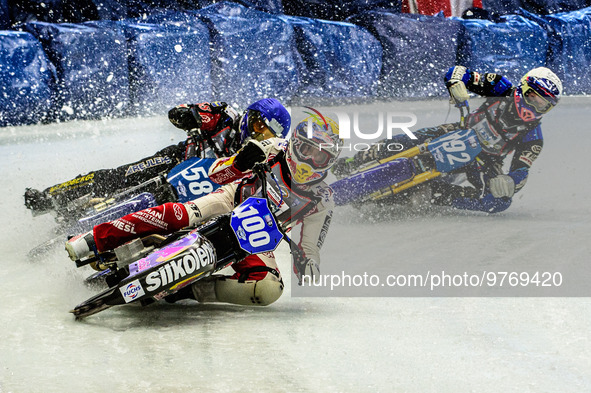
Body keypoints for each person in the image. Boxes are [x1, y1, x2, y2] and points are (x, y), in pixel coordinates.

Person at [65, 113, 343, 307]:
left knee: (269, 289)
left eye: (321, 156)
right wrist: (240, 163)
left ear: (330, 161)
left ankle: (191, 291)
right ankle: (93, 239)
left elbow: (310, 251)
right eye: (307, 149)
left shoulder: (322, 200)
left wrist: (308, 266)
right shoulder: (272, 147)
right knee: (180, 214)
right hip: (228, 201)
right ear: (295, 144)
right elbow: (216, 175)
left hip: (257, 240)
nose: (310, 160)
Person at [333, 66, 562, 213]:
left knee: (499, 202)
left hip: (485, 160)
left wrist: (511, 182)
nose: (535, 108)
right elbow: (458, 72)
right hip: (459, 130)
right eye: (534, 98)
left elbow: (522, 170)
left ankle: (435, 194)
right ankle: (356, 160)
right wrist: (457, 84)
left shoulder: (533, 137)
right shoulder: (499, 87)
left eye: (544, 105)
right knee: (406, 139)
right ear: (522, 88)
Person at [23, 98, 291, 216]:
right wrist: (191, 115)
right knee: (122, 176)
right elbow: (180, 112)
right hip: (178, 161)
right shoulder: (226, 116)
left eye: (266, 134)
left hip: (205, 196)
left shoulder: (266, 156)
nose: (259, 135)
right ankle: (50, 196)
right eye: (259, 126)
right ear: (252, 117)